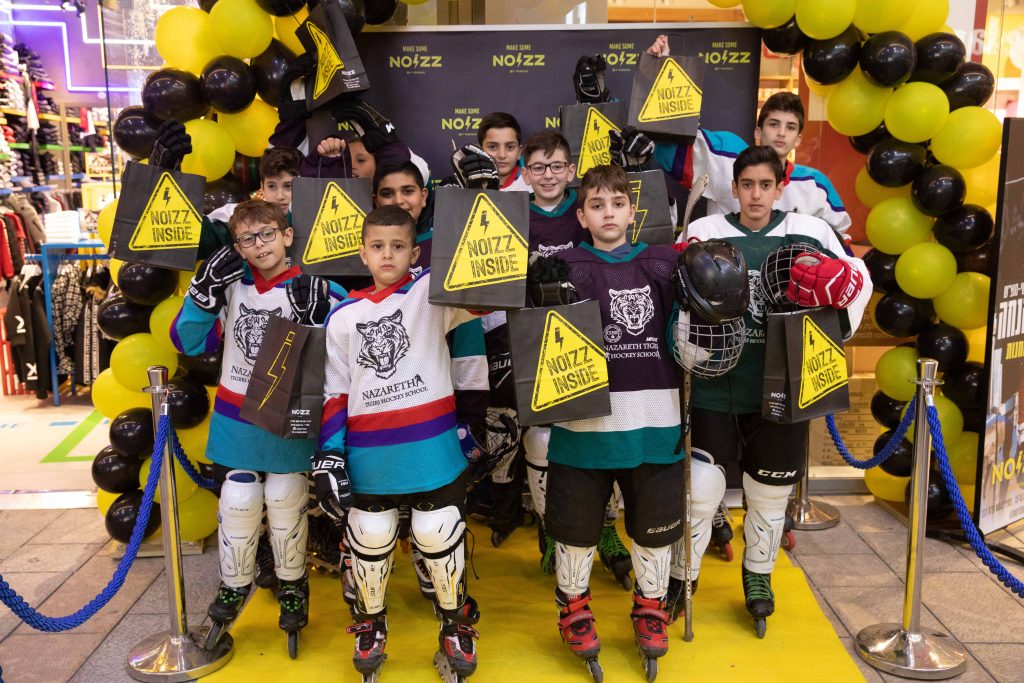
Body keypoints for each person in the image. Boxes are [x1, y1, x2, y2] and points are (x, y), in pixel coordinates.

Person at [680, 145, 870, 637]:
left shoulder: (811, 231)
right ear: (734, 188)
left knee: (769, 491)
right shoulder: (705, 230)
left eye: (765, 185)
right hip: (716, 385)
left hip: (784, 385)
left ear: (780, 187)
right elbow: (678, 301)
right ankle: (685, 575)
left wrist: (839, 292)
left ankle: (758, 574)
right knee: (701, 489)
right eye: (747, 185)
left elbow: (858, 282)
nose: (756, 195)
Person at [314, 205, 483, 681]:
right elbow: (335, 391)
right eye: (378, 246)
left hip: (431, 448)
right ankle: (371, 623)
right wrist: (330, 453)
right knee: (370, 534)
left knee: (437, 530)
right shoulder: (342, 316)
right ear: (362, 253)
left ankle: (454, 624)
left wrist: (482, 204)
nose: (387, 254)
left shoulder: (432, 293)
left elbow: (484, 297)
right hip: (371, 453)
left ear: (414, 252)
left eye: (398, 246)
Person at [535, 164, 688, 680]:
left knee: (653, 530)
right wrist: (541, 298)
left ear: (632, 211)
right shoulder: (566, 267)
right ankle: (574, 606)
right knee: (575, 530)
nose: (608, 213)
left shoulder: (665, 264)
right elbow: (540, 342)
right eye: (596, 205)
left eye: (617, 204)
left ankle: (650, 607)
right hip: (585, 427)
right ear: (581, 215)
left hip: (655, 420)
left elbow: (689, 339)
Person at [172, 199, 344, 651]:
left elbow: (351, 346)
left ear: (287, 235)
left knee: (286, 496)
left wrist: (319, 319)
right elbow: (187, 341)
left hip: (288, 415)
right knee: (239, 498)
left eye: (268, 233)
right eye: (247, 238)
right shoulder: (230, 287)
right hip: (238, 415)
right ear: (237, 247)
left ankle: (293, 584)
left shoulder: (315, 287)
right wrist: (203, 291)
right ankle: (233, 585)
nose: (260, 244)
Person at [644, 35, 852, 241]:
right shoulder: (724, 156)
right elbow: (670, 138)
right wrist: (661, 69)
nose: (781, 133)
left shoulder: (815, 184)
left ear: (798, 139)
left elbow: (839, 241)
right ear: (758, 132)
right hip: (724, 261)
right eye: (774, 124)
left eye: (790, 127)